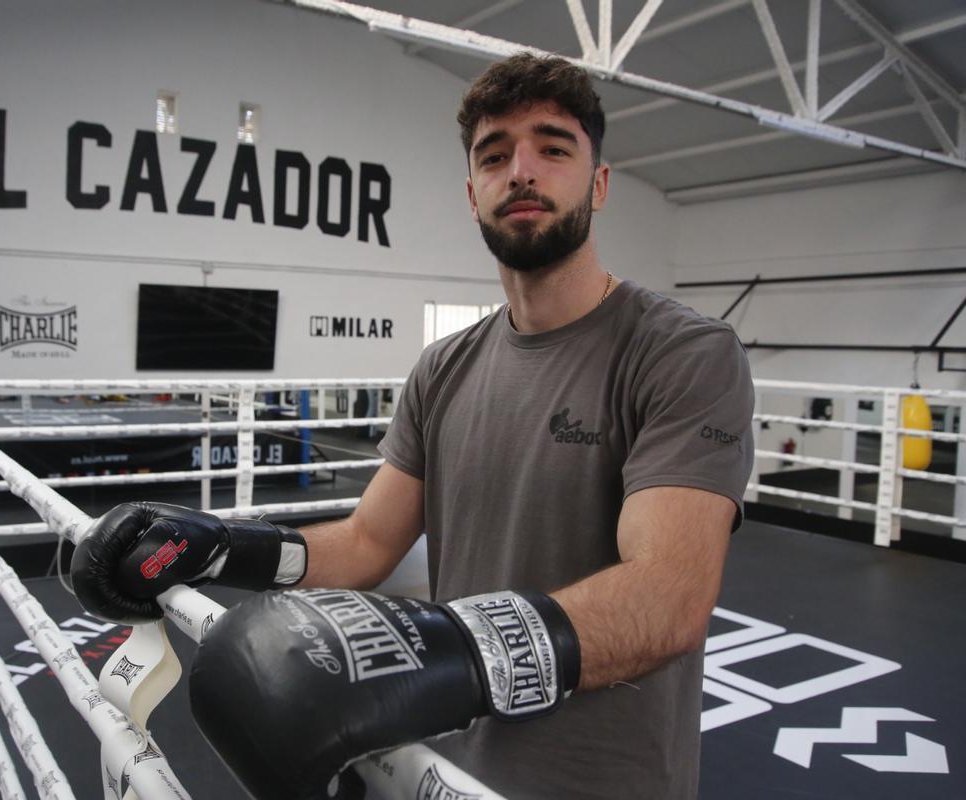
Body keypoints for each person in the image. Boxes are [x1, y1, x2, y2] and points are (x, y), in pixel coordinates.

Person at [73, 53, 754, 800]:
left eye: (553, 148)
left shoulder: (680, 352)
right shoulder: (444, 368)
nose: (521, 171)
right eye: (495, 156)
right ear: (472, 194)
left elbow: (668, 596)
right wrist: (218, 550)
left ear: (598, 182)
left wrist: (448, 652)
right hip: (449, 768)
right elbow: (367, 543)